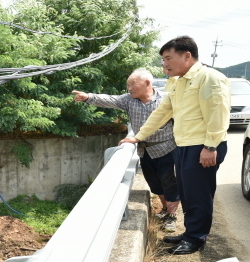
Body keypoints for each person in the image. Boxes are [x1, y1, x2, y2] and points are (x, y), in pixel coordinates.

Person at [119, 36, 230, 255]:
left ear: (187, 55)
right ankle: (190, 232)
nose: (164, 64)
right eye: (163, 60)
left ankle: (196, 238)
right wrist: (139, 136)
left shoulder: (210, 78)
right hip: (184, 145)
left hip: (203, 146)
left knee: (199, 194)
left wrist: (210, 147)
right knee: (188, 193)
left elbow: (219, 115)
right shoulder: (178, 81)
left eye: (168, 58)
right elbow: (162, 112)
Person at [73, 68, 180, 231]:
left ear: (146, 83)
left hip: (167, 148)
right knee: (155, 184)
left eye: (132, 84)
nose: (129, 88)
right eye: (128, 85)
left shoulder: (167, 99)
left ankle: (172, 217)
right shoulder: (129, 100)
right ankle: (166, 210)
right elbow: (109, 99)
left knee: (169, 183)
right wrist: (88, 97)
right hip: (145, 151)